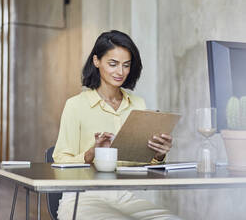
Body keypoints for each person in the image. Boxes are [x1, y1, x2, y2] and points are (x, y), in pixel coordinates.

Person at [52, 30, 180, 220]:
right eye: (113, 64)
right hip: (82, 199)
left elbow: (143, 165)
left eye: (126, 65)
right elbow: (59, 162)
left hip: (125, 197)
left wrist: (159, 155)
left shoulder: (138, 105)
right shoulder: (75, 105)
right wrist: (90, 153)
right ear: (96, 61)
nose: (120, 72)